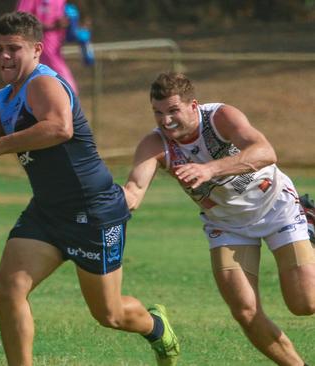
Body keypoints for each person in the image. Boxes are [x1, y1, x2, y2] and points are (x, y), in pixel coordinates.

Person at [0, 12, 179, 366]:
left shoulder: (44, 84)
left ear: (37, 50)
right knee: (9, 289)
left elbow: (59, 128)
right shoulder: (2, 100)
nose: (5, 57)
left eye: (14, 48)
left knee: (110, 314)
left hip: (92, 210)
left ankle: (157, 327)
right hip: (47, 211)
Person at [123, 72, 315, 365]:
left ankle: (308, 218)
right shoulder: (155, 143)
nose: (165, 120)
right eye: (158, 112)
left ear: (193, 106)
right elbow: (134, 191)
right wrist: (95, 203)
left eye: (173, 110)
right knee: (245, 311)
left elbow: (266, 151)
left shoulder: (219, 117)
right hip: (226, 224)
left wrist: (209, 169)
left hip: (277, 207)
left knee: (305, 304)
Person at [15, 0, 79, 94]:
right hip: (34, 48)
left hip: (55, 50)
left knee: (66, 89)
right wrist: (51, 26)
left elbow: (63, 25)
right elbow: (20, 20)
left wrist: (67, 25)